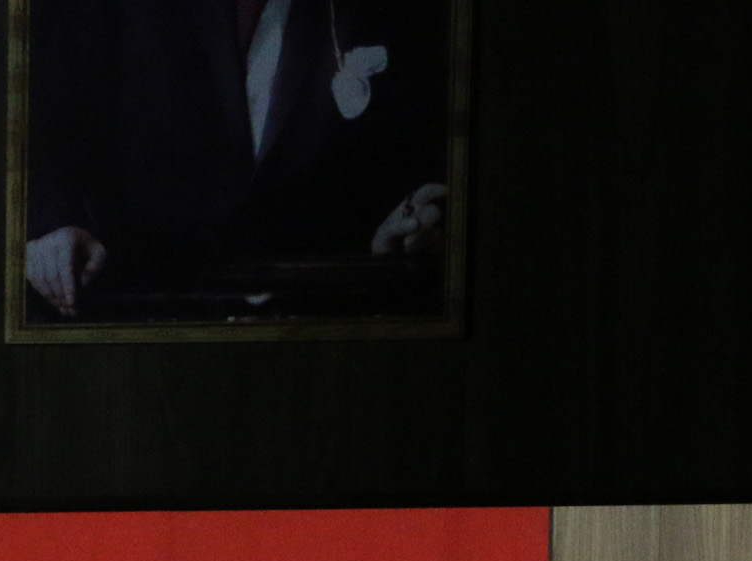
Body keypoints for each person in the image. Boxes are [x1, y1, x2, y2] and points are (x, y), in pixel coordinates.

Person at [22, 0, 454, 321]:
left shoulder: (392, 10)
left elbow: (402, 162)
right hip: (144, 316)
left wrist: (395, 231)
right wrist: (57, 223)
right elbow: (45, 121)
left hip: (318, 323)